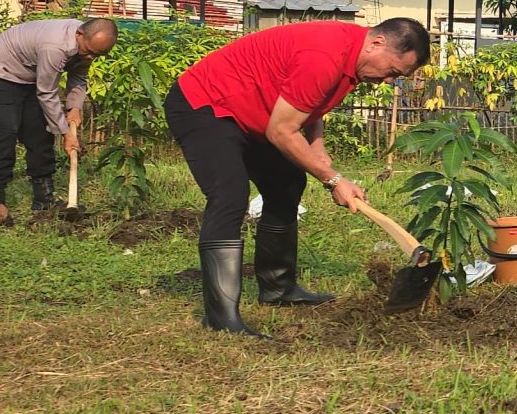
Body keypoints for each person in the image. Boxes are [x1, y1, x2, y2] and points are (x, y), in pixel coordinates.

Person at [164, 17, 430, 335]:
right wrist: (333, 179)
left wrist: (317, 148)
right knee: (229, 196)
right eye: (393, 72)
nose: (387, 81)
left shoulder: (352, 56)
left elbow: (310, 102)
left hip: (253, 114)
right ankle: (221, 319)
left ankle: (278, 288)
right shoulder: (325, 54)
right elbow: (281, 131)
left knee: (287, 183)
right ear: (377, 43)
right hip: (205, 105)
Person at [0, 16, 117, 224]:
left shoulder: (86, 43)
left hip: (28, 76)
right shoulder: (55, 46)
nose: (91, 58)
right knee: (5, 133)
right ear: (79, 34)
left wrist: (74, 107)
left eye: (98, 55)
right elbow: (47, 93)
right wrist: (66, 133)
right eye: (90, 52)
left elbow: (78, 76)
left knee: (39, 133)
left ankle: (44, 199)